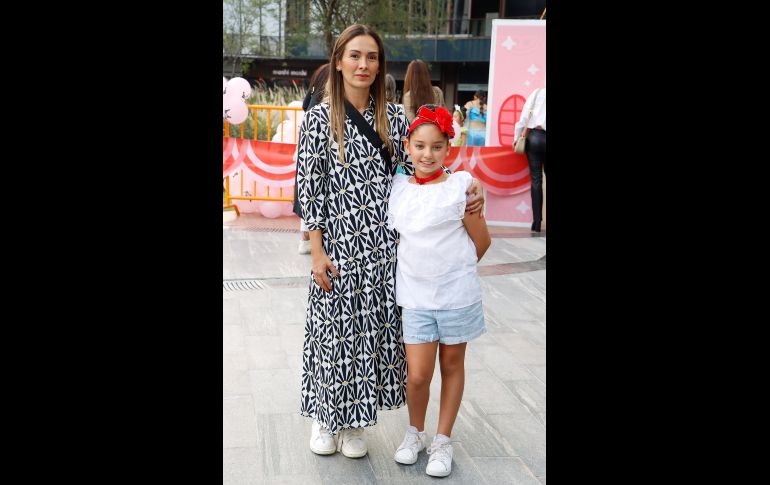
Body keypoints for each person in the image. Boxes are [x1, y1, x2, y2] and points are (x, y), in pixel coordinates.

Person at [296, 24, 485, 459]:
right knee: (333, 333)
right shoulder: (318, 120)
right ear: (338, 61)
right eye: (355, 56)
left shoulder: (394, 119)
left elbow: (423, 168)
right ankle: (326, 417)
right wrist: (317, 251)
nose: (363, 65)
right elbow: (310, 188)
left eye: (372, 57)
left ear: (380, 66)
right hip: (338, 246)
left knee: (368, 336)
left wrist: (467, 186)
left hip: (385, 250)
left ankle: (354, 424)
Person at [387, 104, 491, 478]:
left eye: (436, 147)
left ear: (448, 147)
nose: (427, 155)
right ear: (408, 146)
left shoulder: (461, 188)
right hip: (415, 299)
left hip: (456, 298)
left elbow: (482, 241)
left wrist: (453, 272)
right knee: (417, 373)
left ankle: (443, 440)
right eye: (419, 146)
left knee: (451, 366)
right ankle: (414, 432)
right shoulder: (398, 188)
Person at [294, 63, 330, 254]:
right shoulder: (337, 75)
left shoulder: (321, 72)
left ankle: (305, 238)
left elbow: (304, 104)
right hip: (325, 133)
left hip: (308, 132)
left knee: (308, 182)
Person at [513, 87, 546, 232]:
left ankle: (536, 222)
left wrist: (516, 138)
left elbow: (523, 119)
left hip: (535, 138)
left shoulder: (537, 93)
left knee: (536, 180)